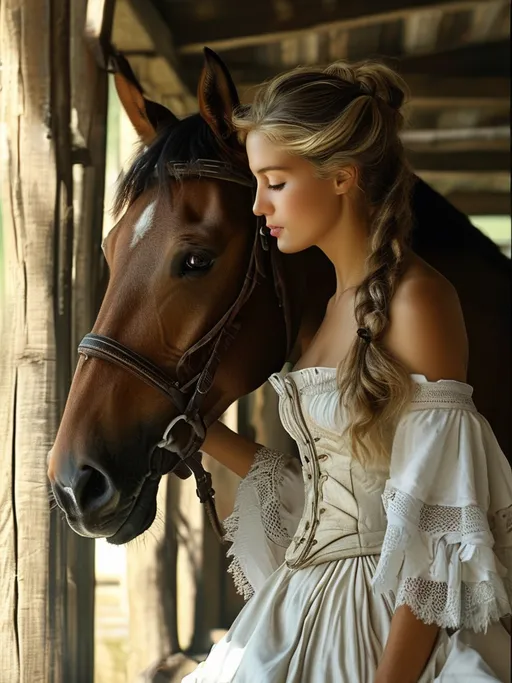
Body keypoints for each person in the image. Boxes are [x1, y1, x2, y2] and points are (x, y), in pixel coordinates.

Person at [182, 59, 512, 682]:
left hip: (380, 626)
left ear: (341, 177)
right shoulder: (331, 309)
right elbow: (335, 492)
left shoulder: (417, 302)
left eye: (274, 181)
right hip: (295, 607)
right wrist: (205, 436)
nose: (258, 205)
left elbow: (436, 526)